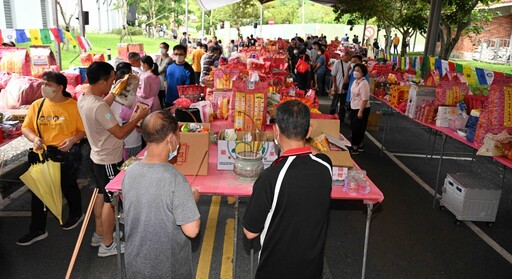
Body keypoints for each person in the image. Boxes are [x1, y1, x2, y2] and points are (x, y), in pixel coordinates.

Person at [243, 99, 332, 278]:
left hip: (274, 270)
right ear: (309, 130)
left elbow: (250, 232)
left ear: (276, 130)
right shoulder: (325, 167)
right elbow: (317, 153)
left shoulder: (270, 177)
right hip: (311, 270)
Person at [78, 62, 149, 257]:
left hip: (97, 157)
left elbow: (104, 106)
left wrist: (117, 90)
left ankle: (100, 234)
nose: (111, 84)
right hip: (109, 159)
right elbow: (120, 133)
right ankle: (108, 245)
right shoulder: (99, 106)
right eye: (110, 81)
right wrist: (139, 116)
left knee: (101, 195)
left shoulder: (84, 98)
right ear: (101, 82)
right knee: (111, 201)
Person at [123, 110, 200, 278]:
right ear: (171, 138)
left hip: (136, 263)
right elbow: (192, 229)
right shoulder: (175, 179)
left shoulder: (130, 171)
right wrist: (191, 199)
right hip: (168, 268)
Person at [17, 72, 85, 246]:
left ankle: (76, 213)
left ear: (60, 87)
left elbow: (83, 131)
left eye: (48, 84)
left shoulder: (73, 106)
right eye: (43, 83)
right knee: (39, 192)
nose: (44, 87)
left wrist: (72, 140)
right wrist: (35, 139)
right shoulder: (37, 105)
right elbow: (26, 128)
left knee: (68, 185)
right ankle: (37, 229)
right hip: (42, 155)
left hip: (65, 155)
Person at [349, 63, 371, 154]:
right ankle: (358, 144)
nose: (355, 72)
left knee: (358, 128)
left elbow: (365, 99)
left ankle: (355, 147)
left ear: (363, 73)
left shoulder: (364, 83)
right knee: (355, 127)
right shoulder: (355, 81)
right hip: (354, 106)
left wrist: (360, 111)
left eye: (358, 71)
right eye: (355, 70)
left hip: (361, 108)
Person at [330, 51, 353, 124]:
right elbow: (333, 75)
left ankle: (341, 119)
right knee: (334, 103)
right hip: (338, 86)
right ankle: (331, 117)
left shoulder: (350, 65)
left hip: (345, 88)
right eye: (350, 56)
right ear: (346, 55)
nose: (351, 58)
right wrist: (335, 86)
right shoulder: (338, 63)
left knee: (343, 105)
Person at [155, 42, 172, 108]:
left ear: (167, 49)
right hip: (157, 81)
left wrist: (156, 69)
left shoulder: (169, 60)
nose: (161, 49)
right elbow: (154, 68)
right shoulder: (158, 58)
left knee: (164, 99)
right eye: (160, 47)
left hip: (164, 82)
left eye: (163, 48)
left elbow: (160, 70)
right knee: (158, 99)